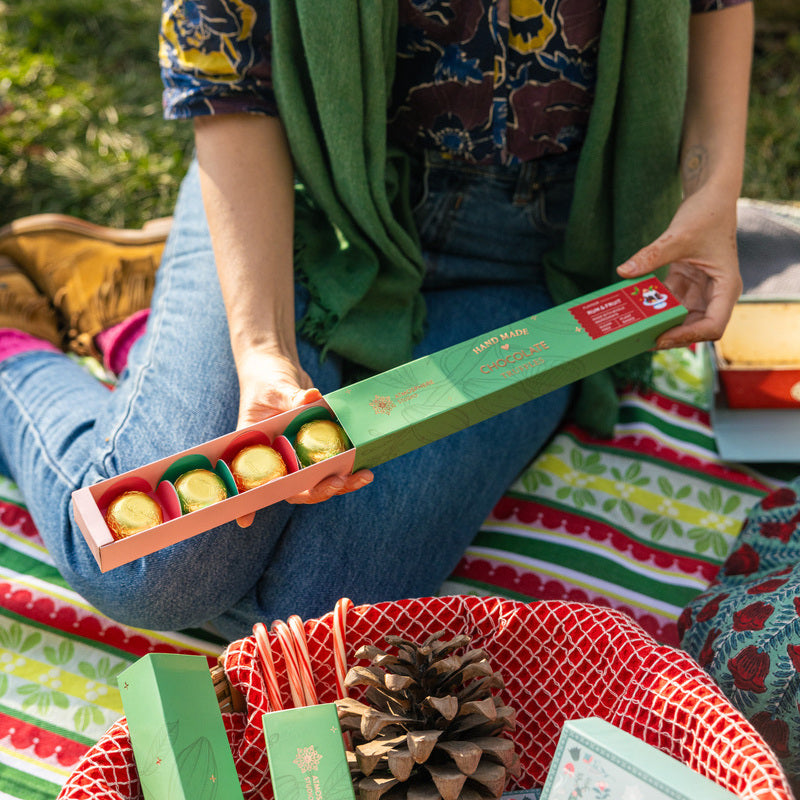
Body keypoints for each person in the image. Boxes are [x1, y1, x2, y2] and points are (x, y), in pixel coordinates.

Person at [0, 0, 753, 640]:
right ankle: (14, 351)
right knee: (149, 568)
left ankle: (142, 338)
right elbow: (225, 81)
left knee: (324, 610)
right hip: (302, 204)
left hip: (533, 253)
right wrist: (261, 351)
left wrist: (712, 197)